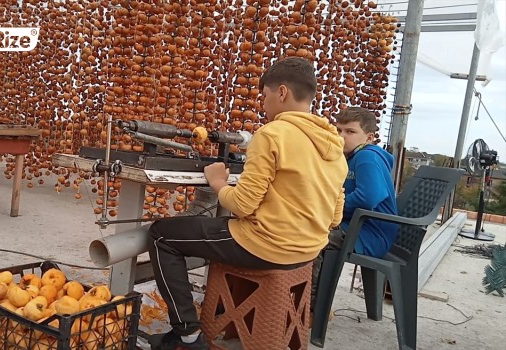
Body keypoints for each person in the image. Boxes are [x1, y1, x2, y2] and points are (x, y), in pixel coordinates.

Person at [147, 57, 348, 350]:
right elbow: (335, 217)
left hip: (266, 246)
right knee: (207, 231)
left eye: (264, 97)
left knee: (162, 234)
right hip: (307, 251)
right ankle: (224, 315)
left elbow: (243, 206)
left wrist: (217, 182)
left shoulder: (272, 134)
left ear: (281, 93)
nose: (263, 105)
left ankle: (186, 334)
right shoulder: (334, 146)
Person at [311, 107, 399, 308]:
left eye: (350, 132)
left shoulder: (368, 157)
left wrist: (328, 208)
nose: (342, 137)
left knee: (311, 238)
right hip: (355, 228)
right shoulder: (351, 158)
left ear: (369, 138)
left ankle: (312, 307)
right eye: (338, 130)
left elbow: (369, 197)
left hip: (369, 234)